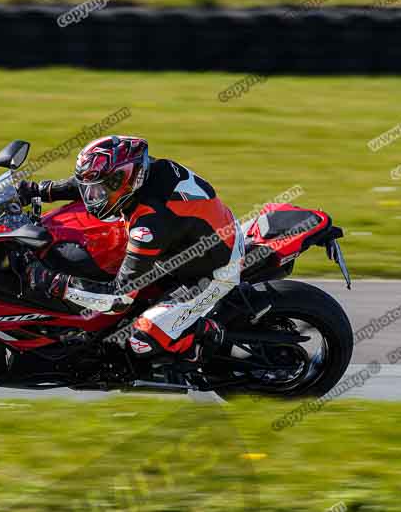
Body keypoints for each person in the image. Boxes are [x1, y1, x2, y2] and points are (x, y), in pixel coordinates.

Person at [17, 135, 244, 363]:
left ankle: (206, 334)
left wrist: (56, 283)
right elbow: (93, 182)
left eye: (99, 190)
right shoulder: (140, 172)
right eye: (91, 189)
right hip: (183, 245)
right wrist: (39, 190)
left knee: (140, 340)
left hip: (211, 274)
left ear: (124, 180)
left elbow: (118, 298)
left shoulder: (149, 223)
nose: (93, 197)